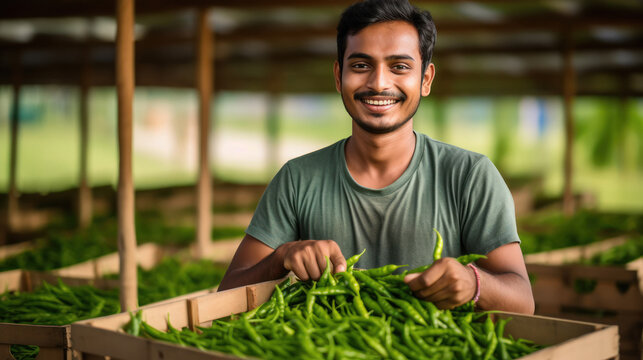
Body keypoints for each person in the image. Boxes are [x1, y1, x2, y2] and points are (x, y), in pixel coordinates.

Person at [218, 0, 534, 314]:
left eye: (399, 66)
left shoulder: (471, 176)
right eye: (360, 65)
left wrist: (473, 282)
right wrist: (279, 259)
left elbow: (523, 301)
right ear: (338, 76)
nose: (379, 83)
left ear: (425, 79)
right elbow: (225, 294)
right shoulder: (297, 179)